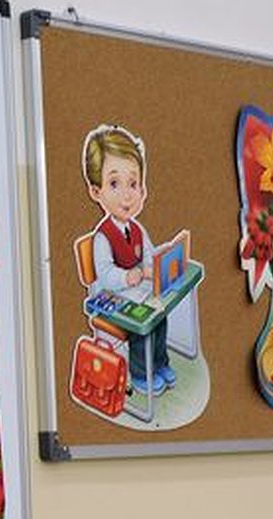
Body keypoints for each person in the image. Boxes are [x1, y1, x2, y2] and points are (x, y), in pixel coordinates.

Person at [82, 124, 175, 394]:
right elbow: (105, 275)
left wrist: (155, 264)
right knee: (141, 324)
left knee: (160, 315)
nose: (127, 194)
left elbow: (147, 254)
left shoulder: (136, 229)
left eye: (133, 184)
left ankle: (159, 362)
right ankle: (141, 374)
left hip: (135, 292)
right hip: (111, 297)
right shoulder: (102, 238)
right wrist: (128, 276)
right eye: (114, 184)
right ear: (96, 191)